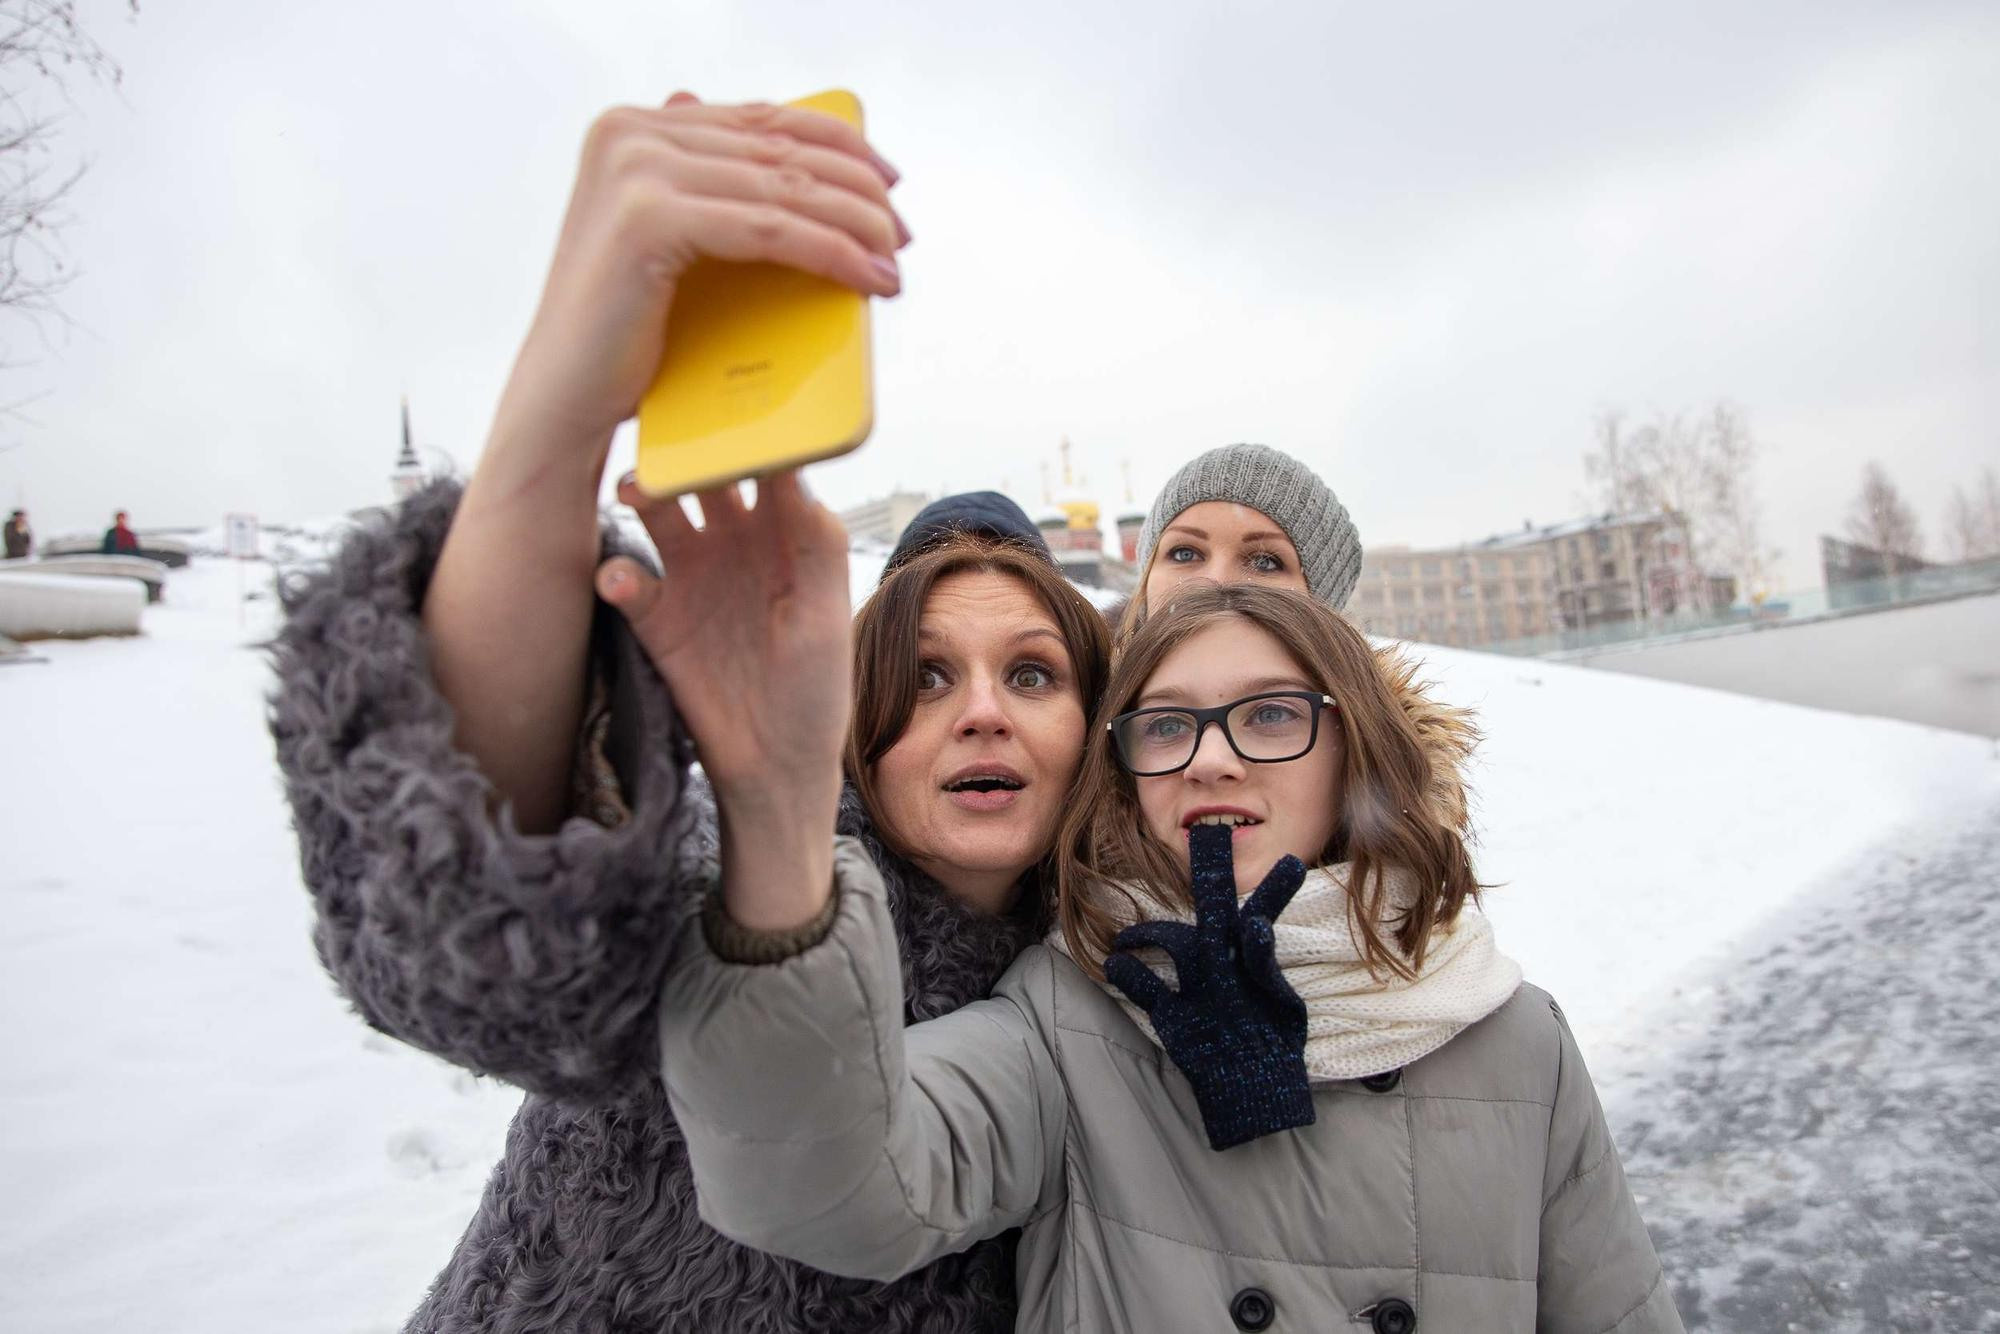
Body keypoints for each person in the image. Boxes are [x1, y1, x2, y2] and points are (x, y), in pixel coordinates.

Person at [268, 89, 1121, 1333]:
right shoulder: (723, 868)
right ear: (857, 712)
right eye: (926, 675)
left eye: (1032, 673)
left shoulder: (1111, 980)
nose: (981, 712)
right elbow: (474, 917)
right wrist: (558, 413)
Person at [652, 573, 1684, 1332]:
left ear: (1355, 747)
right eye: (1166, 727)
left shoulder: (1512, 1035)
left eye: (1271, 715)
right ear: (1128, 769)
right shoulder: (1071, 1015)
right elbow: (832, 1185)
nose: (1214, 756)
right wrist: (775, 836)